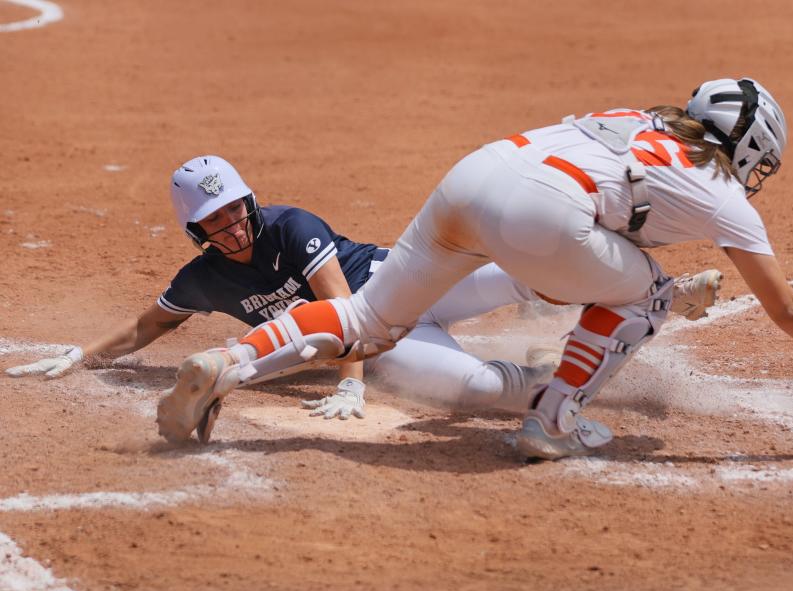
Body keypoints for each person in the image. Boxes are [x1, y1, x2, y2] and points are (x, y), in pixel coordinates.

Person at [160, 77, 793, 460]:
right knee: (648, 294)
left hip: (477, 174)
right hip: (541, 215)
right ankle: (552, 418)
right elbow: (786, 307)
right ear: (752, 143)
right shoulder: (721, 188)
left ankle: (230, 361)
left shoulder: (641, 117)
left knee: (367, 318)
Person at [5, 155, 725, 427]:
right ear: (196, 231)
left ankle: (658, 289)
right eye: (211, 221)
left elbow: (339, 300)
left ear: (249, 202)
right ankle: (559, 380)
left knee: (518, 267)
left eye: (233, 210)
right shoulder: (204, 278)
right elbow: (147, 327)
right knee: (481, 391)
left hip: (402, 287)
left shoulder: (291, 225)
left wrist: (348, 386)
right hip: (385, 347)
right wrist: (83, 355)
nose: (228, 227)